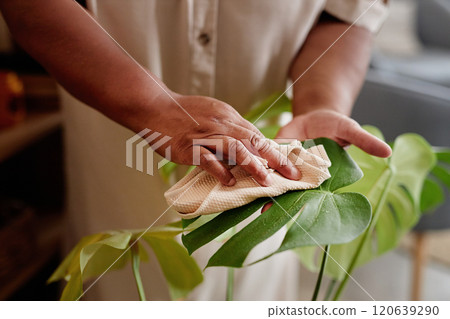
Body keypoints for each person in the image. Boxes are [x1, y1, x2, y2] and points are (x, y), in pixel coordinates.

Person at [0, 0, 391, 300]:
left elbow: (346, 13)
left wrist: (321, 100)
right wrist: (154, 105)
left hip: (270, 150)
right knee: (123, 277)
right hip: (111, 138)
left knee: (249, 287)